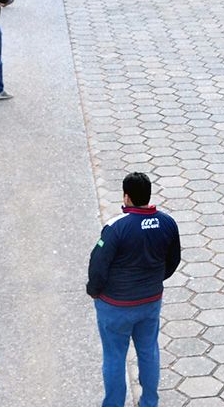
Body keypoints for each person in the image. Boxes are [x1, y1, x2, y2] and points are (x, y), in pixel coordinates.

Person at [87, 172, 182, 407]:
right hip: (150, 302)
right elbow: (173, 260)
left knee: (114, 357)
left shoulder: (116, 227)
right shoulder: (167, 222)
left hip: (115, 306)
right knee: (148, 351)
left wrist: (94, 291)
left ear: (126, 197)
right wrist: (155, 280)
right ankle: (149, 402)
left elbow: (98, 266)